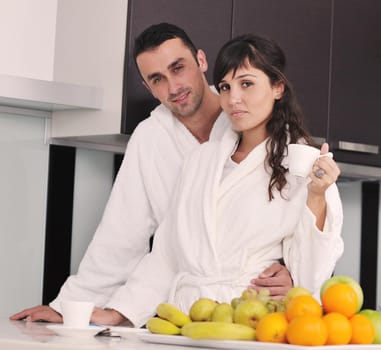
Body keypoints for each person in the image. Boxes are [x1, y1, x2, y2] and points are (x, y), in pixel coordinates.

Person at [10, 23, 293, 325]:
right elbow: (121, 236)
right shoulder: (150, 139)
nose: (173, 87)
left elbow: (302, 220)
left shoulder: (254, 118)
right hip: (186, 311)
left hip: (260, 306)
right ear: (147, 87)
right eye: (157, 79)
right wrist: (70, 307)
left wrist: (292, 269)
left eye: (178, 68)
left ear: (200, 61)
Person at [96, 33, 345, 327]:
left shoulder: (303, 164)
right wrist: (119, 312)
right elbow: (167, 256)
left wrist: (317, 195)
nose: (234, 98)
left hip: (256, 322)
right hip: (188, 319)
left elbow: (314, 271)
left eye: (247, 84)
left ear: (277, 87)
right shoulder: (201, 162)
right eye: (225, 87)